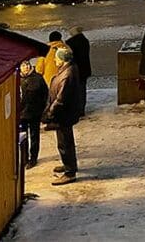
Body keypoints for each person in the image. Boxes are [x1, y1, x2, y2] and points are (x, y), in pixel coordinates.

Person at [42, 47, 83, 185]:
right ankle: (68, 165)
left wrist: (49, 113)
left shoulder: (67, 74)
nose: (54, 60)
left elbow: (61, 99)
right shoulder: (68, 69)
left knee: (64, 143)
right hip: (65, 114)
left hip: (63, 115)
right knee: (64, 142)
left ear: (63, 59)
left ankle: (70, 172)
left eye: (57, 58)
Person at [19, 59, 48, 169]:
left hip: (35, 113)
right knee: (23, 136)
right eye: (23, 65)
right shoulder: (17, 79)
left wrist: (42, 109)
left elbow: (45, 94)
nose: (26, 67)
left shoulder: (38, 78)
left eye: (27, 65)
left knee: (34, 135)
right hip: (21, 114)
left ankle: (33, 158)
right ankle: (24, 158)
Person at [66, 26, 92, 117]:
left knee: (75, 90)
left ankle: (77, 109)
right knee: (82, 89)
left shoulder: (70, 43)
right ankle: (82, 108)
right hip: (85, 68)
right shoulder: (85, 41)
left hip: (75, 69)